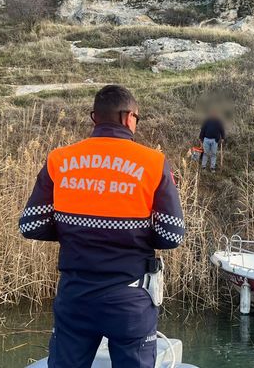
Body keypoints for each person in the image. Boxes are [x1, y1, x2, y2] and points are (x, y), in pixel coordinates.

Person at [19, 85, 185, 368]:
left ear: (95, 118)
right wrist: (133, 235)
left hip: (75, 296)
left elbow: (31, 224)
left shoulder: (61, 159)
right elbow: (171, 235)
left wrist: (75, 230)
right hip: (129, 296)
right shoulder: (153, 163)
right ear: (128, 117)